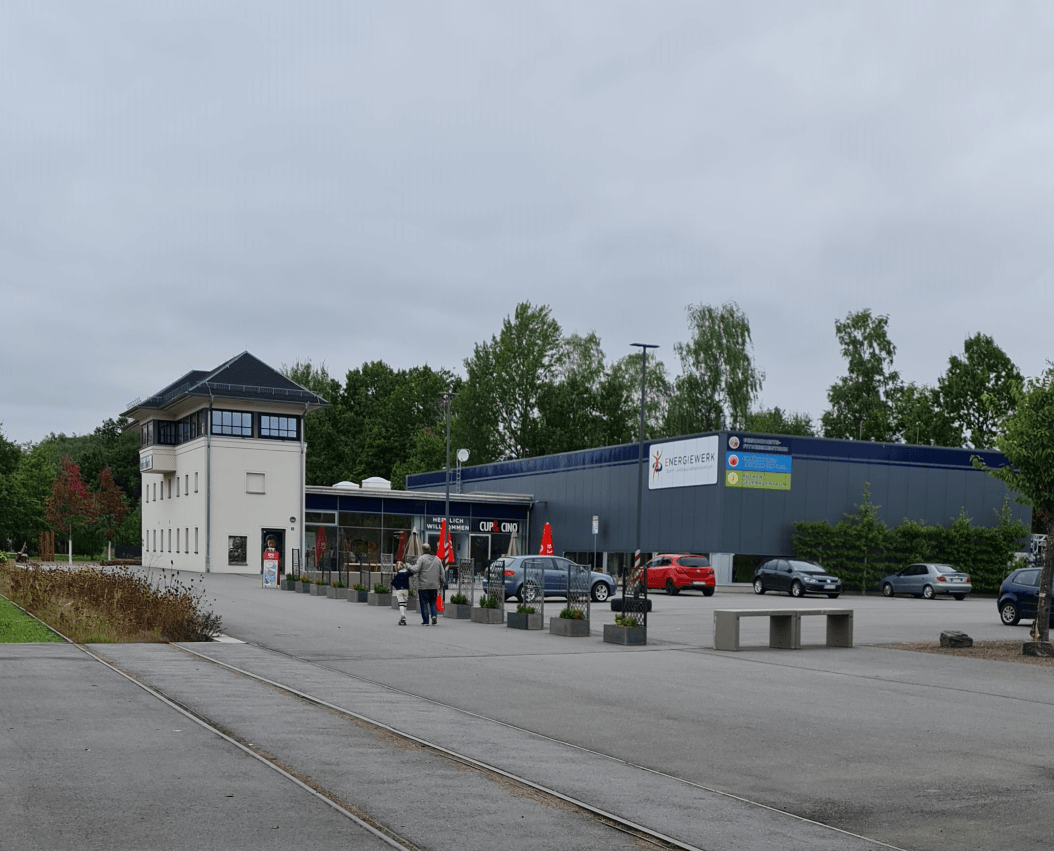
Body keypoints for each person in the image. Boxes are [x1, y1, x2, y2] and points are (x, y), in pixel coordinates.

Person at [408, 542, 444, 625]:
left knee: (424, 603)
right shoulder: (437, 559)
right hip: (434, 585)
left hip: (423, 585)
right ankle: (434, 616)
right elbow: (442, 573)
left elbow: (416, 569)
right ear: (430, 549)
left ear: (423, 549)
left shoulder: (422, 558)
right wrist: (442, 582)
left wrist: (409, 567)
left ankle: (426, 621)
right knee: (432, 602)